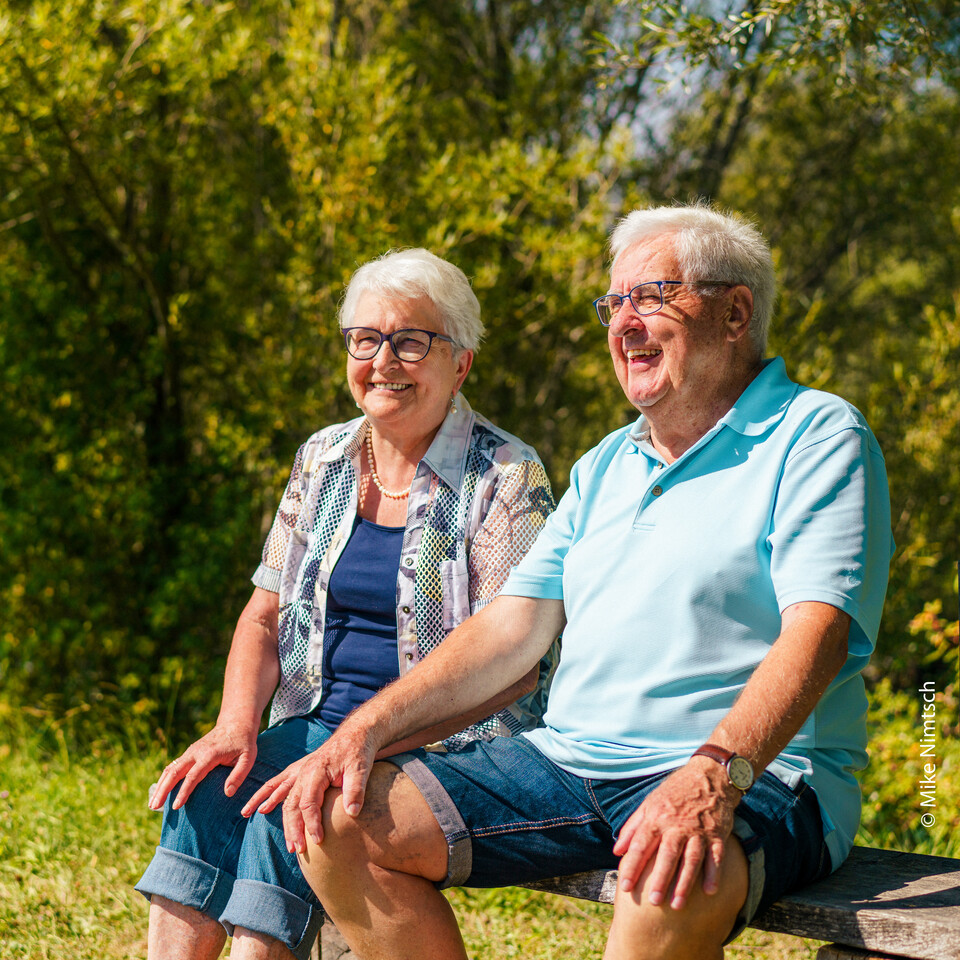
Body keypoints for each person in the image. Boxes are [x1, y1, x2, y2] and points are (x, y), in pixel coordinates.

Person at [248, 203, 894, 960]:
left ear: (735, 312)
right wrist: (363, 731)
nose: (624, 321)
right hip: (573, 763)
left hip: (756, 773)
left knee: (666, 876)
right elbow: (508, 632)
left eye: (651, 296)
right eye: (614, 303)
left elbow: (819, 631)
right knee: (332, 817)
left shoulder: (819, 435)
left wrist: (717, 771)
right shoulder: (606, 465)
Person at [135, 248, 557, 960]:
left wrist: (359, 747)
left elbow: (515, 670)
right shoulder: (322, 458)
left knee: (287, 814)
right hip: (314, 728)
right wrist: (235, 726)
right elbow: (263, 616)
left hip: (447, 744)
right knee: (207, 788)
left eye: (411, 340)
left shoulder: (508, 478)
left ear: (461, 363)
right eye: (367, 339)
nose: (384, 360)